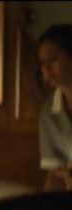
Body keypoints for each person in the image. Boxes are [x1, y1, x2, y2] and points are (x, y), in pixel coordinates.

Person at [36, 23, 72, 191]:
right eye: (43, 63)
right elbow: (55, 172)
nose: (46, 69)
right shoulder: (48, 113)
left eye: (53, 59)